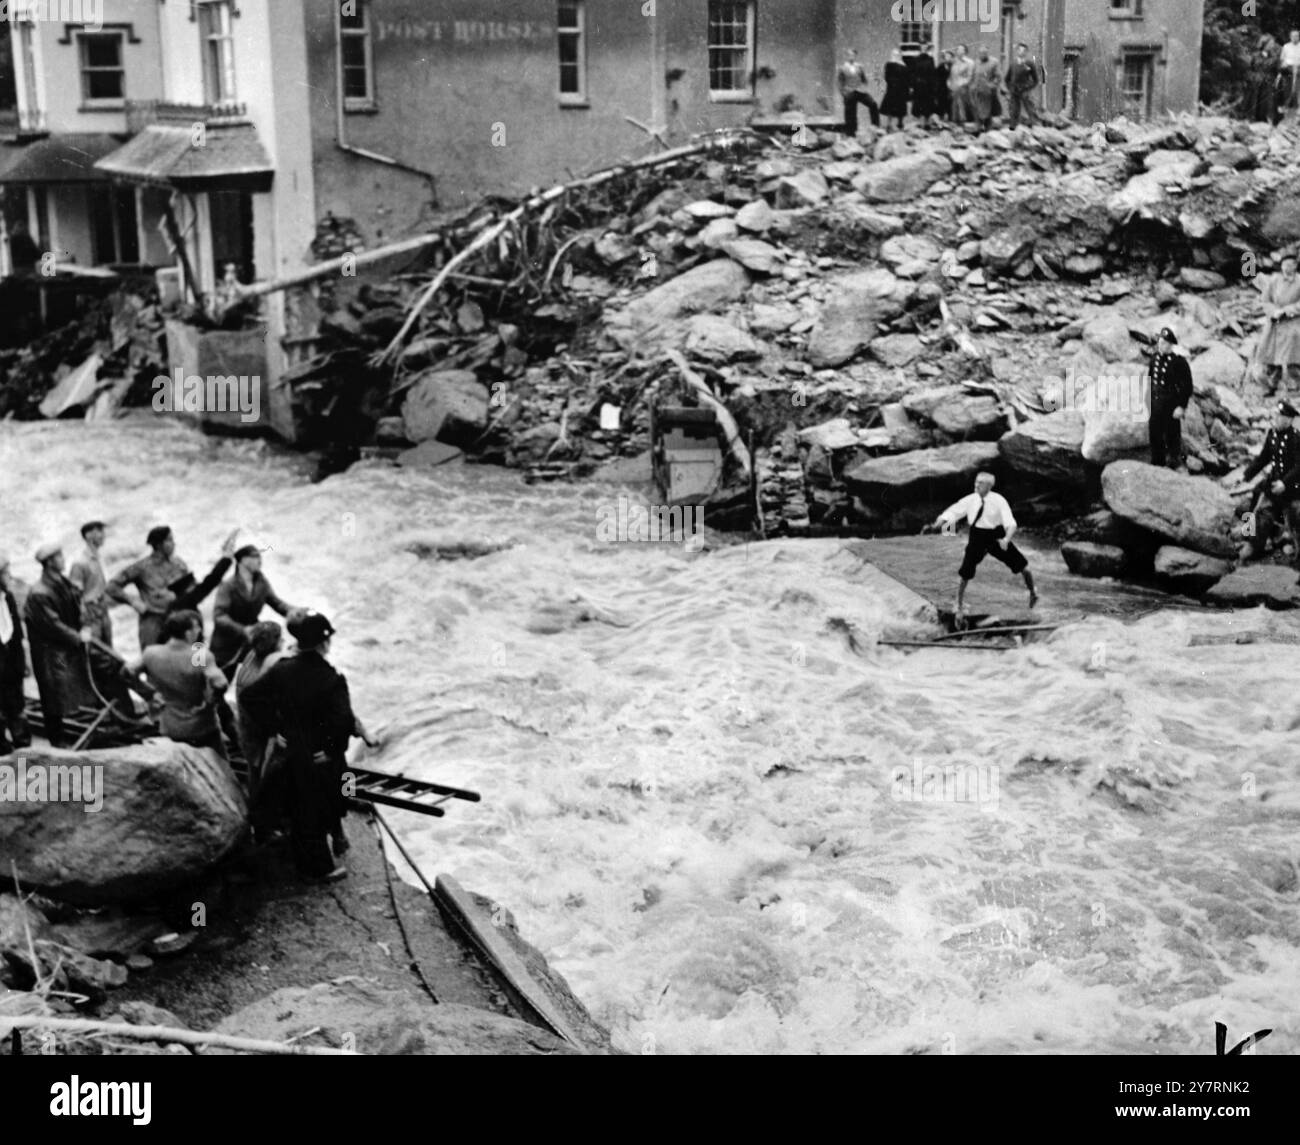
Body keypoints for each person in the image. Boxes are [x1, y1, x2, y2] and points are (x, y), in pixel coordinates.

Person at [239, 612, 380, 881]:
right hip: (319, 755)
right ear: (323, 643)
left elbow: (250, 697)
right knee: (323, 805)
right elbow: (343, 720)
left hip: (291, 749)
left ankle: (302, 854)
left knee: (295, 802)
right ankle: (321, 866)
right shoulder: (331, 678)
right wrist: (330, 748)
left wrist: (274, 728)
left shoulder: (282, 669)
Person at [926, 472, 1038, 621]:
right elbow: (954, 512)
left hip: (996, 535)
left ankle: (1033, 593)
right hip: (977, 536)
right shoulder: (971, 499)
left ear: (989, 486)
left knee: (1024, 567)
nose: (976, 485)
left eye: (980, 483)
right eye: (976, 482)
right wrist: (939, 522)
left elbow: (1011, 524)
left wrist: (1006, 540)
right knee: (965, 572)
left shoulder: (999, 500)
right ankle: (958, 604)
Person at [107, 526, 237, 648]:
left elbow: (194, 590)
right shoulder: (141, 568)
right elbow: (111, 587)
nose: (174, 543)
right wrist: (133, 601)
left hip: (184, 618)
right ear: (158, 545)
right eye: (169, 540)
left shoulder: (178, 564)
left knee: (198, 660)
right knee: (154, 660)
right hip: (155, 619)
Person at [23, 544, 96, 748]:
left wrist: (84, 625)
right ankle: (57, 740)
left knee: (65, 692)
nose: (63, 560)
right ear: (49, 563)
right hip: (49, 653)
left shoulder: (62, 582)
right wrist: (79, 637)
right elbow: (53, 625)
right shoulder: (39, 593)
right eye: (59, 557)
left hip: (64, 648)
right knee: (52, 696)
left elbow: (75, 604)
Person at [127, 609, 229, 752]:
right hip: (201, 726)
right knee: (221, 768)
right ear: (188, 633)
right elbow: (220, 683)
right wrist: (210, 702)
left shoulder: (152, 653)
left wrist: (149, 694)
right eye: (196, 628)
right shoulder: (198, 655)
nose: (199, 631)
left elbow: (127, 672)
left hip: (170, 726)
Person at [233, 621, 288, 840]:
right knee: (262, 775)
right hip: (260, 728)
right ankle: (264, 827)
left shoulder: (250, 657)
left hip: (247, 724)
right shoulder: (268, 667)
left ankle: (260, 824)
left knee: (253, 769)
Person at [1229, 401, 1300, 565]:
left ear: (1289, 420)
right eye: (1277, 415)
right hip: (1274, 486)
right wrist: (1245, 476)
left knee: (1296, 518)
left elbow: (1299, 466)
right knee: (1258, 507)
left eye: (1281, 417)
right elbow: (1263, 459)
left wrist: (1285, 483)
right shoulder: (1272, 435)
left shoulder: (1296, 439)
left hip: (1292, 489)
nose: (1277, 419)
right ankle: (1253, 543)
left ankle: (1295, 552)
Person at [210, 545, 297, 670]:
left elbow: (277, 603)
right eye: (254, 556)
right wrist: (243, 630)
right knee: (222, 679)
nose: (259, 560)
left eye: (259, 556)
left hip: (251, 645)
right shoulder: (228, 586)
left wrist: (295, 612)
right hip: (226, 645)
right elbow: (219, 616)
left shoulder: (261, 582)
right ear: (242, 560)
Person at [1141, 327, 1193, 470]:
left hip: (1171, 405)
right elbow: (1151, 380)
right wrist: (1147, 401)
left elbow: (1187, 386)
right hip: (1155, 403)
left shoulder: (1179, 362)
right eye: (1160, 342)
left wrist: (1181, 406)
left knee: (1172, 434)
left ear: (1170, 345)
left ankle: (1174, 463)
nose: (1161, 345)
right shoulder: (1154, 359)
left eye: (1164, 343)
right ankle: (1157, 463)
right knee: (1155, 434)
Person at [1252, 254, 1300, 393]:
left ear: (1295, 266)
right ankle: (1271, 385)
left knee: (1294, 356)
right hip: (1275, 323)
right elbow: (1265, 300)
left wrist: (1287, 310)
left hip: (1293, 322)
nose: (1286, 268)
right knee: (1271, 355)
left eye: (1290, 265)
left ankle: (1295, 386)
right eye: (1284, 265)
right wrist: (1273, 312)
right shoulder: (1274, 281)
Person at [0, 555, 30, 756]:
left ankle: (24, 748)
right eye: (5, 572)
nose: (10, 576)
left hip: (12, 666)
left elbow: (17, 632)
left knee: (17, 707)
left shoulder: (8, 597)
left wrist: (23, 662)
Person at [68, 520, 112, 648]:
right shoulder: (80, 563)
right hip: (90, 613)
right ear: (88, 536)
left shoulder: (98, 558)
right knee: (96, 650)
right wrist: (84, 622)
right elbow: (75, 596)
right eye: (98, 531)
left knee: (108, 649)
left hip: (102, 609)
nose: (103, 535)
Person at [838, 47, 880, 136]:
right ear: (846, 56)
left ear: (855, 56)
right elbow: (840, 83)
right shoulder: (843, 68)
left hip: (860, 91)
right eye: (849, 55)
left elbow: (864, 79)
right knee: (851, 113)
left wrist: (864, 86)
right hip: (849, 92)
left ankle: (875, 126)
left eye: (853, 55)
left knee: (873, 104)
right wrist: (844, 93)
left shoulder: (859, 66)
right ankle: (851, 133)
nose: (851, 57)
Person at [1005, 42, 1040, 129]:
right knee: (1014, 109)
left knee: (1030, 108)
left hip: (1025, 91)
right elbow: (1007, 78)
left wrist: (1028, 88)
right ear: (1017, 51)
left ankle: (1035, 126)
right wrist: (1010, 89)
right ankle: (1013, 126)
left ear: (1026, 52)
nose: (1021, 52)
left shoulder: (1030, 64)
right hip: (1014, 91)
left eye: (1024, 50)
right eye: (1020, 50)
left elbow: (1036, 80)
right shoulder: (1013, 64)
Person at [969, 47, 1001, 133]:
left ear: (987, 53)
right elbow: (972, 75)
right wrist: (971, 85)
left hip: (987, 91)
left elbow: (998, 76)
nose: (982, 54)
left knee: (987, 110)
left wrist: (991, 85)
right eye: (981, 53)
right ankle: (978, 127)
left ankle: (988, 129)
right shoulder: (976, 62)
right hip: (976, 90)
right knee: (976, 109)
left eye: (984, 53)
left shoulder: (994, 62)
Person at [881, 49, 910, 131]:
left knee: (901, 106)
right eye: (894, 54)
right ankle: (888, 125)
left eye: (898, 55)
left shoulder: (903, 65)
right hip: (892, 88)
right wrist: (893, 83)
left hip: (901, 89)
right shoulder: (889, 64)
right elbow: (887, 76)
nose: (896, 56)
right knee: (890, 107)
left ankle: (900, 123)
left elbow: (906, 77)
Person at [948, 45, 975, 126]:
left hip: (964, 87)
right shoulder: (954, 62)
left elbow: (970, 76)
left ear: (965, 51)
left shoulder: (969, 62)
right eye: (958, 50)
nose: (959, 51)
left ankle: (964, 122)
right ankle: (955, 123)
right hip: (953, 87)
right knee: (954, 106)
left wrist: (962, 84)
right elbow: (951, 75)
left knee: (963, 105)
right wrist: (949, 84)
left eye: (961, 50)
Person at [908, 48, 936, 125]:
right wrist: (911, 85)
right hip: (918, 85)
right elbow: (912, 73)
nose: (924, 49)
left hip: (928, 85)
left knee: (927, 104)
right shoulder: (915, 59)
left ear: (927, 49)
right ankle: (920, 123)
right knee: (918, 104)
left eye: (925, 47)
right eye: (922, 47)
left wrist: (933, 85)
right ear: (920, 48)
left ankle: (927, 123)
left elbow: (933, 73)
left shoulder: (930, 59)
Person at [1279, 30, 1300, 120]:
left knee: (1296, 91)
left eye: (1296, 36)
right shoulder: (1286, 46)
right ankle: (1286, 112)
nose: (1295, 38)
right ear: (1290, 37)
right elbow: (1282, 59)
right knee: (1287, 90)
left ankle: (1296, 112)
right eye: (1293, 36)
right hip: (1288, 71)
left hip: (1299, 70)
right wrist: (1285, 65)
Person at [935, 51, 953, 122]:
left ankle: (950, 119)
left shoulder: (953, 66)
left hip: (951, 88)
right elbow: (936, 77)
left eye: (949, 56)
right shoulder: (940, 66)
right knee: (941, 104)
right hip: (942, 88)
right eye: (946, 56)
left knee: (950, 105)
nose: (947, 58)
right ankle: (941, 121)